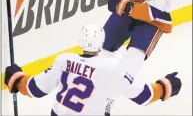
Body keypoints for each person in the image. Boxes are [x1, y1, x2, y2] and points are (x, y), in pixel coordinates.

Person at [5, 24, 181, 116]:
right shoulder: (110, 68)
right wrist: (166, 87)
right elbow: (144, 96)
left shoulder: (63, 60)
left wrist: (16, 78)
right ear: (101, 42)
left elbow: (33, 89)